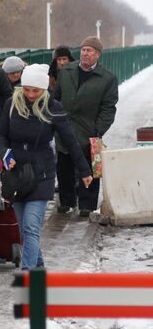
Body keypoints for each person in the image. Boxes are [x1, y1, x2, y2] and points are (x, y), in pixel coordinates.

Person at [0, 64, 92, 270]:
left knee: (31, 227)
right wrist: (5, 153)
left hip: (42, 172)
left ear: (44, 89)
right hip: (16, 174)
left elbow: (70, 140)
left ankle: (28, 273)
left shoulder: (53, 107)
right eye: (27, 89)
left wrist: (84, 170)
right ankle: (38, 267)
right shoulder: (11, 104)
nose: (30, 94)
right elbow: (1, 135)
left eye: (36, 90)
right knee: (24, 230)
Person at [54, 36, 118, 217]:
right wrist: (56, 121)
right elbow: (56, 97)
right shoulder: (66, 71)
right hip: (64, 128)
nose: (85, 53)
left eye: (89, 50)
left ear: (97, 55)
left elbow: (108, 108)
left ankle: (87, 204)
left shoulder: (107, 78)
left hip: (89, 131)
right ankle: (66, 202)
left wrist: (97, 130)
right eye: (83, 50)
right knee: (64, 168)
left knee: (89, 170)